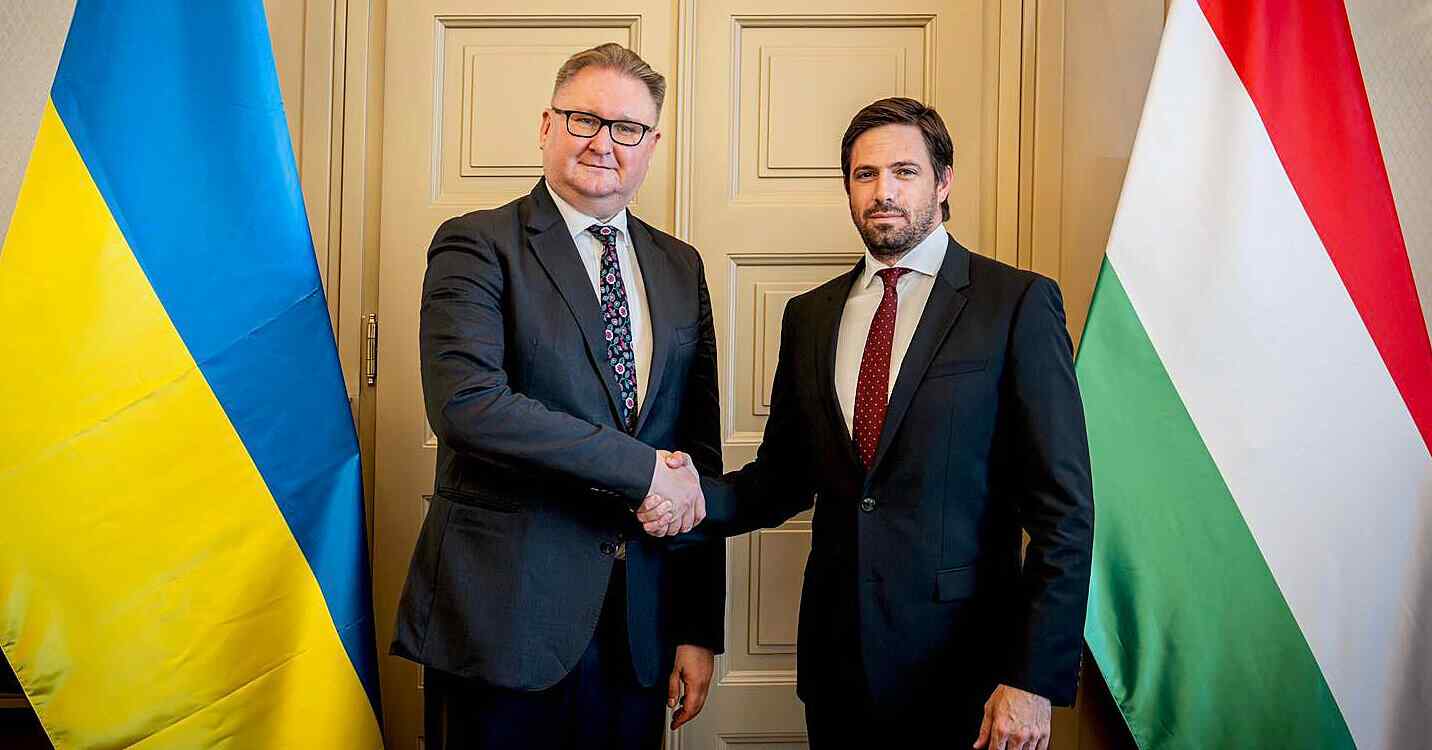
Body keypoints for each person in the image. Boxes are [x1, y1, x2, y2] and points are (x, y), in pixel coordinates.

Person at [642, 97, 1094, 750]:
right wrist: (682, 493)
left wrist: (1031, 678)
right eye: (865, 174)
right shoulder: (811, 316)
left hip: (972, 677)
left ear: (943, 181)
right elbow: (781, 480)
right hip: (839, 669)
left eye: (904, 171)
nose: (883, 191)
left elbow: (1064, 513)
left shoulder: (1016, 303)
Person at [391, 43, 724, 749]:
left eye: (627, 128)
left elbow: (697, 455)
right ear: (547, 125)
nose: (604, 142)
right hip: (502, 621)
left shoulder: (679, 265)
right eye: (584, 119)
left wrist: (696, 628)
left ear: (652, 144)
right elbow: (468, 406)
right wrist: (640, 469)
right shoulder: (476, 244)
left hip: (636, 632)